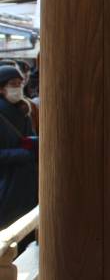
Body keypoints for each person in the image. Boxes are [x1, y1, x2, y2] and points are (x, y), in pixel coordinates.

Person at [0, 66, 36, 229]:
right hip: (6, 184)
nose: (18, 88)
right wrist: (25, 153)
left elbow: (27, 138)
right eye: (13, 84)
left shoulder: (24, 110)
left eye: (20, 83)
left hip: (27, 183)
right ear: (1, 88)